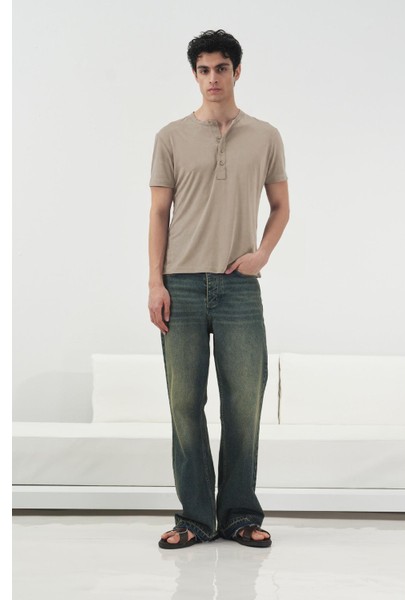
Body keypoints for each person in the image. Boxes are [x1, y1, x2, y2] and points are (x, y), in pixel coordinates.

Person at [148, 29, 289, 549]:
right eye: (204, 70)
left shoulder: (265, 135)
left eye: (221, 68)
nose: (213, 78)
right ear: (195, 74)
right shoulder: (170, 137)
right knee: (185, 406)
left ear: (237, 71)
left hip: (239, 289)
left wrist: (262, 254)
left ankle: (238, 516)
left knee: (243, 405)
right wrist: (155, 282)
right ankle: (194, 519)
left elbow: (281, 206)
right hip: (181, 286)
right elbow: (158, 214)